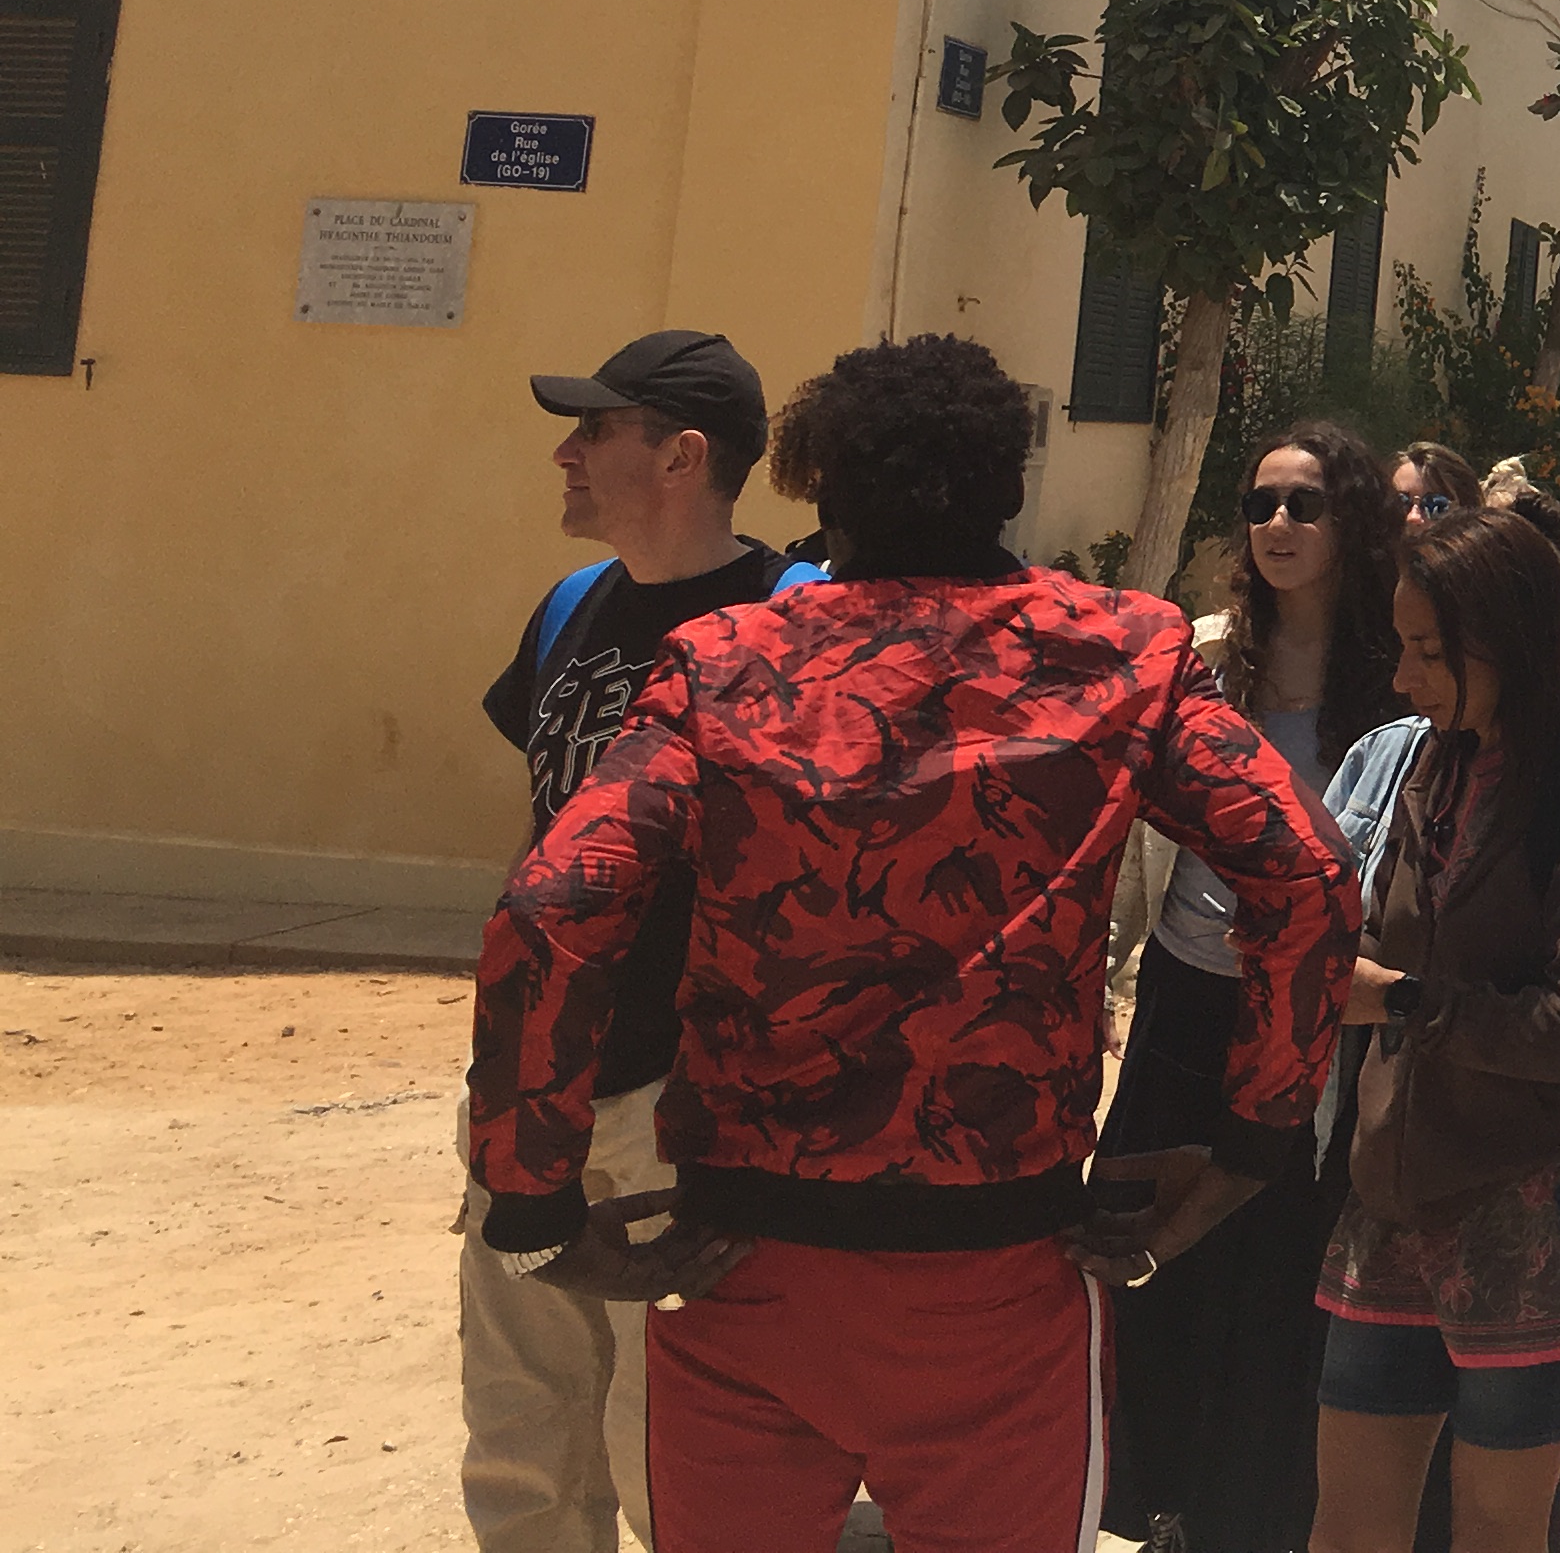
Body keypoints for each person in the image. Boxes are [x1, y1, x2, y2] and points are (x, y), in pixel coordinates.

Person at [467, 334, 1351, 1553]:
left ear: (823, 490)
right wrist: (1251, 1144)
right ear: (1010, 487)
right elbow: (1304, 872)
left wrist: (535, 1209)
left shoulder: (729, 665)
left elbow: (553, 903)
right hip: (997, 1273)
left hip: (743, 1269)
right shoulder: (1119, 656)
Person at [465, 327, 798, 1553]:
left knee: (678, 1452)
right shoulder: (568, 608)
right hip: (536, 1086)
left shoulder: (792, 618)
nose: (564, 451)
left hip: (691, 1097)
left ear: (683, 456)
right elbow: (544, 839)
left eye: (595, 429)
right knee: (522, 1441)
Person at [1317, 506, 1560, 1553]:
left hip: (1525, 1224)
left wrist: (1409, 1004)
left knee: (1500, 1533)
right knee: (1346, 1530)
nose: (1403, 680)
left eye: (1429, 652)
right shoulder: (1434, 766)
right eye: (1402, 648)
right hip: (1391, 1203)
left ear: (1505, 641)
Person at [1104, 419, 1407, 1553]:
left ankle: (1256, 1515)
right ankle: (1159, 1505)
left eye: (1306, 505)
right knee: (1150, 1247)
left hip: (1322, 1009)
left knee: (1282, 1269)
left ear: (1356, 524)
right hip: (1186, 992)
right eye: (1260, 503)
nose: (1277, 524)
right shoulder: (1202, 652)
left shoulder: (1394, 671)